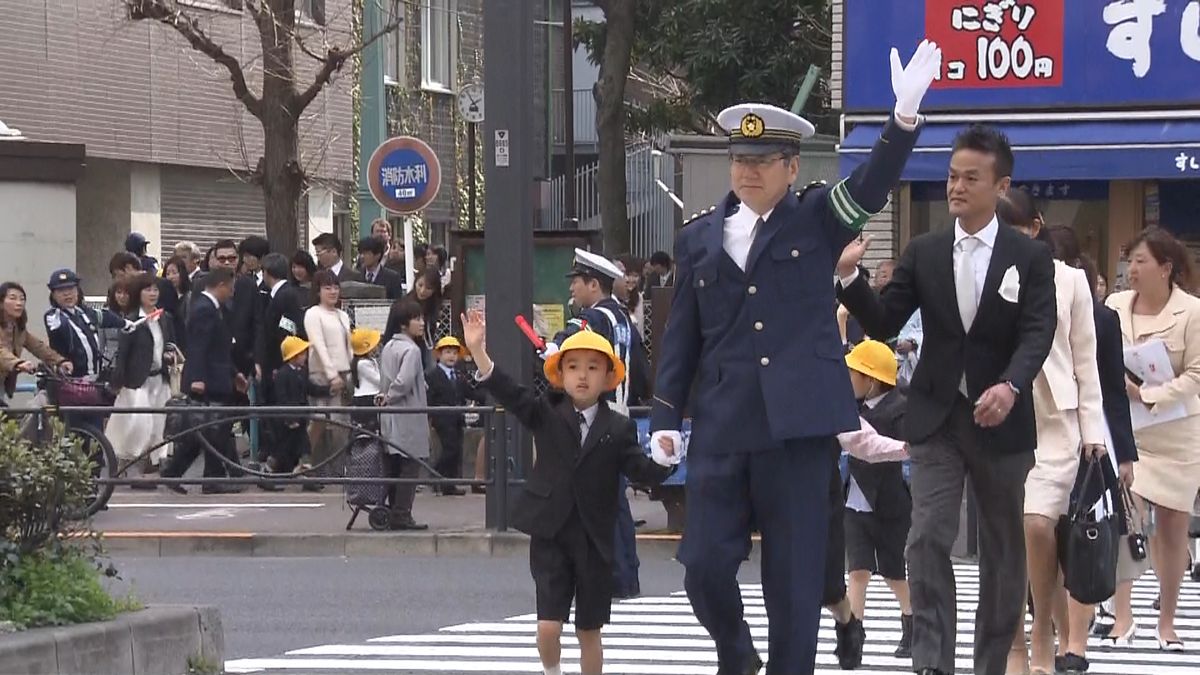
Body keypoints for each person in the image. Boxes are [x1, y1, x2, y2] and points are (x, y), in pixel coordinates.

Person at [650, 41, 942, 674]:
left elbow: (868, 186)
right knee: (702, 567)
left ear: (790, 166)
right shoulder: (697, 237)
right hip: (724, 426)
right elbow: (682, 334)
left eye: (763, 161)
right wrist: (666, 415)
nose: (748, 171)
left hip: (799, 430)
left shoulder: (814, 218)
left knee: (795, 585)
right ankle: (736, 652)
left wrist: (902, 120)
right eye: (739, 159)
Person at [836, 123, 1057, 675]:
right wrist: (849, 275)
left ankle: (991, 662)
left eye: (971, 178)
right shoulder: (925, 250)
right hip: (935, 415)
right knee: (927, 535)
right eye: (952, 175)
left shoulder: (1027, 259)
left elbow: (1037, 331)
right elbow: (885, 318)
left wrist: (1010, 385)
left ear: (1000, 186)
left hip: (1002, 421)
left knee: (1003, 549)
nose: (956, 186)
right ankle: (933, 661)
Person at [461, 310, 674, 675]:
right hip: (551, 533)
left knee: (589, 630)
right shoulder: (546, 411)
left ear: (609, 378)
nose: (583, 375)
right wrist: (479, 352)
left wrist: (665, 458)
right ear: (560, 375)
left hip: (595, 539)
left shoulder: (619, 428)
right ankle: (552, 671)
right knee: (548, 625)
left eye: (593, 368)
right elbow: (511, 394)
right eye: (574, 367)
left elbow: (641, 471)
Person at [996, 193, 1105, 675]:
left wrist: (1094, 431)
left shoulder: (1071, 281)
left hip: (1056, 423)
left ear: (1036, 227)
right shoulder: (981, 274)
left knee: (1039, 525)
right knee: (1006, 537)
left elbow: (1086, 363)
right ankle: (1016, 646)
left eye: (1013, 228)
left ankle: (1044, 632)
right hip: (998, 418)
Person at [1105, 226, 1200, 652]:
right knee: (1128, 521)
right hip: (1129, 434)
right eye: (1130, 261)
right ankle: (1122, 616)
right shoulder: (1114, 306)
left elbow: (1196, 375)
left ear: (1166, 268)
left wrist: (1146, 392)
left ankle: (1167, 621)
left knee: (1173, 527)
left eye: (1141, 261)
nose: (1132, 270)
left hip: (1177, 434)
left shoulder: (1192, 313)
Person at [548, 249, 644, 599]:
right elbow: (643, 368)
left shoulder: (592, 318)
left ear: (593, 284)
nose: (572, 288)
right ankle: (625, 575)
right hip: (622, 414)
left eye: (576, 282)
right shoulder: (622, 317)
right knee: (614, 500)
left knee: (598, 500)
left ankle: (609, 577)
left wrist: (552, 350)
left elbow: (566, 342)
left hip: (597, 420)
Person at [839, 340, 915, 661]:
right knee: (857, 569)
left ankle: (912, 622)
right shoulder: (850, 407)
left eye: (855, 373)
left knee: (893, 571)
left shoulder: (901, 407)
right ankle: (854, 634)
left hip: (890, 501)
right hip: (855, 499)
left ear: (871, 380)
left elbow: (903, 450)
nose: (849, 378)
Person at [160, 268, 247, 494]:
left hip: (216, 375)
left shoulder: (213, 309)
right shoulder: (204, 309)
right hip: (206, 380)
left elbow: (219, 348)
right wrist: (197, 378)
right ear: (220, 286)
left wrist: (234, 373)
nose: (231, 293)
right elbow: (199, 346)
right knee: (213, 429)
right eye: (230, 289)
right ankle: (212, 479)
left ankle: (173, 473)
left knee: (202, 431)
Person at [107, 273, 176, 478]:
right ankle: (130, 465)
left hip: (160, 378)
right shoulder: (130, 321)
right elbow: (123, 354)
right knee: (136, 426)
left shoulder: (165, 318)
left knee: (159, 425)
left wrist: (170, 354)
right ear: (138, 293)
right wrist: (118, 382)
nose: (153, 293)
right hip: (137, 381)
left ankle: (154, 466)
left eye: (155, 289)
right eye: (147, 289)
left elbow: (171, 342)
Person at [379, 299, 431, 530]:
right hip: (409, 412)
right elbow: (404, 382)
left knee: (393, 464)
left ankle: (392, 511)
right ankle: (402, 514)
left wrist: (385, 396)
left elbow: (388, 380)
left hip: (389, 415)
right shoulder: (412, 350)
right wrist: (392, 394)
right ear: (403, 324)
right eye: (416, 319)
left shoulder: (389, 346)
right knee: (411, 464)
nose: (421, 323)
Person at [303, 270, 353, 479]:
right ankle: (307, 465)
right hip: (322, 374)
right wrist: (332, 374)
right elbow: (319, 344)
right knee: (318, 423)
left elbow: (348, 345)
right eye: (327, 288)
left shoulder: (342, 315)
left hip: (344, 373)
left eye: (335, 287)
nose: (333, 291)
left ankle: (338, 469)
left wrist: (349, 369)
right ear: (318, 291)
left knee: (341, 424)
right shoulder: (313, 313)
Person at [425, 336, 486, 496]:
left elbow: (469, 392)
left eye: (454, 353)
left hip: (457, 417)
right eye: (447, 352)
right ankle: (437, 475)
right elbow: (429, 397)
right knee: (450, 448)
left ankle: (448, 484)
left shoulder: (459, 375)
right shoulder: (433, 375)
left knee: (456, 449)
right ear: (439, 355)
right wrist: (430, 415)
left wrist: (486, 395)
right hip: (442, 418)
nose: (451, 356)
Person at [44, 269, 130, 381]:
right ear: (53, 295)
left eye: (71, 289)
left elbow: (104, 317)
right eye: (61, 290)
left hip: (93, 378)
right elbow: (59, 327)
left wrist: (126, 323)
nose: (67, 294)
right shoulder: (53, 316)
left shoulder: (83, 312)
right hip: (70, 381)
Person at [0, 282, 69, 405]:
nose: (19, 303)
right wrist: (18, 363)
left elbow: (37, 346)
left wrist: (59, 361)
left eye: (22, 299)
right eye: (13, 298)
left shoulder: (18, 329)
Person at [269, 336, 329, 475]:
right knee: (282, 449)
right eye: (302, 354)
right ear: (294, 356)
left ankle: (307, 473)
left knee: (305, 448)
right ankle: (268, 472)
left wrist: (327, 390)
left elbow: (310, 388)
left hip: (300, 419)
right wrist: (289, 418)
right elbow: (282, 399)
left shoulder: (302, 372)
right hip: (289, 421)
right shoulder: (283, 375)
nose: (305, 357)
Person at [406, 268, 443, 367]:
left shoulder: (435, 306)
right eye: (420, 285)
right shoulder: (405, 304)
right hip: (409, 347)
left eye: (428, 288)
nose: (422, 291)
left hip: (428, 347)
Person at [162, 255, 192, 351]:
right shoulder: (163, 298)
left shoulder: (188, 297)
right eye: (168, 273)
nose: (171, 277)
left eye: (174, 273)